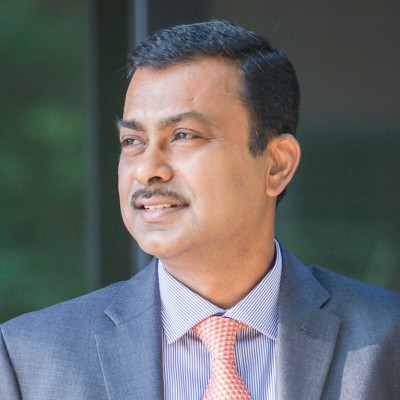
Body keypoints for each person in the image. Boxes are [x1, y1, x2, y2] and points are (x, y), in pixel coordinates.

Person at [1, 20, 399, 400]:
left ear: (276, 165)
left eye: (183, 135)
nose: (148, 169)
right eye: (133, 141)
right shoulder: (30, 358)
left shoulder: (387, 339)